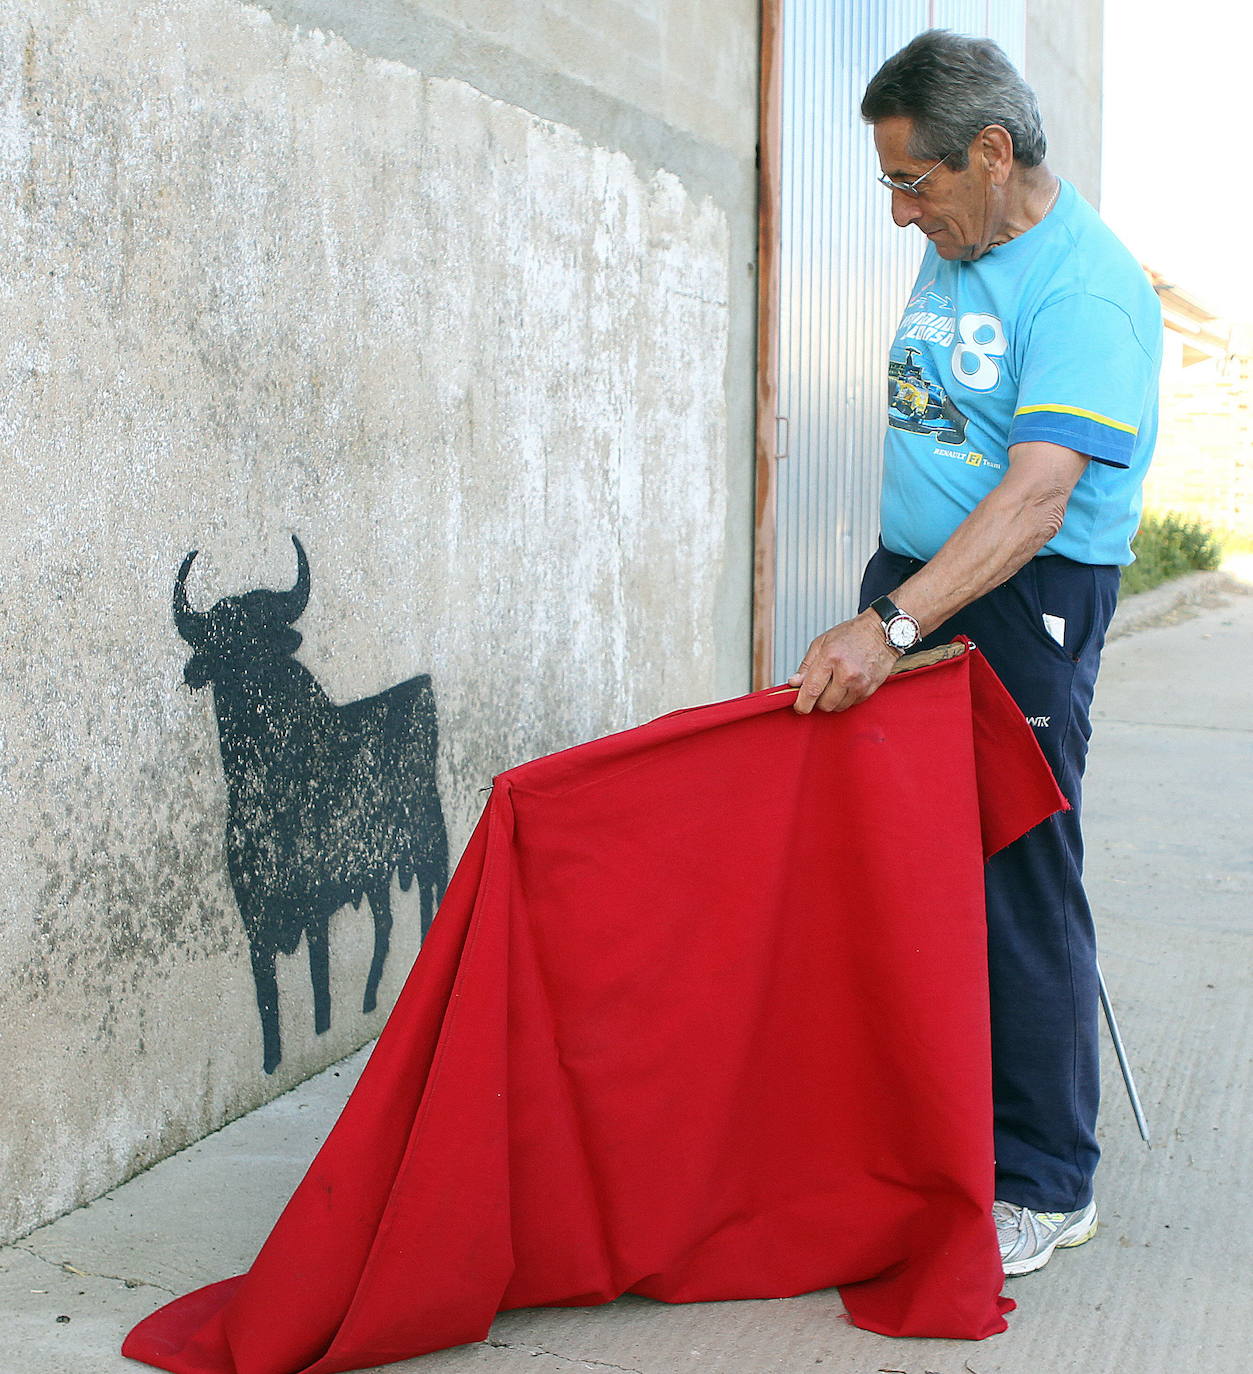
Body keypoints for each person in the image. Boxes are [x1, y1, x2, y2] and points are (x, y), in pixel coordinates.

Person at [788, 30, 1161, 1277]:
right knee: (894, 866)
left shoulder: (1085, 289)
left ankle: (1047, 1181)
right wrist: (889, 593)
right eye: (888, 184)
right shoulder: (963, 236)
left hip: (1020, 597)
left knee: (1017, 880)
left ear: (991, 154)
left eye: (914, 183)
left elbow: (1035, 498)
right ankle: (915, 1133)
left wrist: (893, 629)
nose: (897, 214)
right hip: (913, 583)